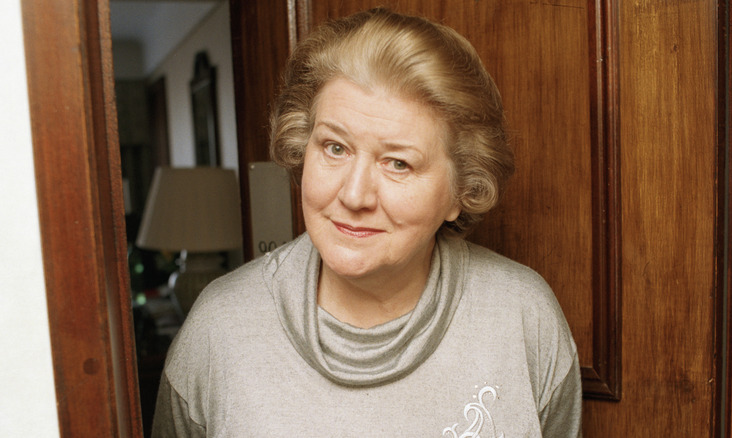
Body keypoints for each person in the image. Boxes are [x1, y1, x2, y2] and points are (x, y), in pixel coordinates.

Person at [152, 8, 581, 437]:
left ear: (461, 190)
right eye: (335, 148)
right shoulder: (219, 328)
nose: (354, 195)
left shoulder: (523, 317)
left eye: (398, 163)